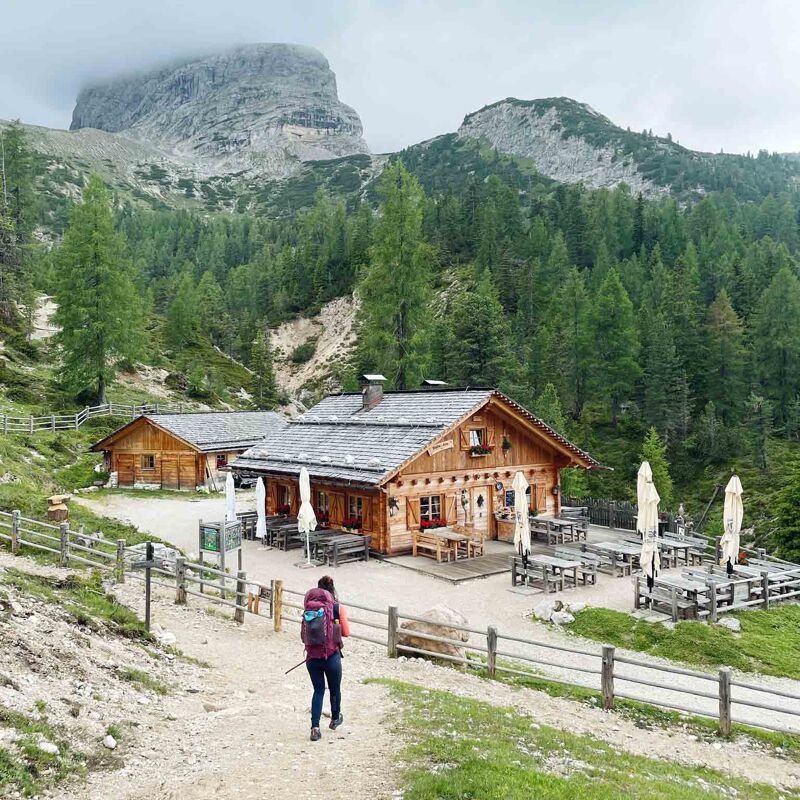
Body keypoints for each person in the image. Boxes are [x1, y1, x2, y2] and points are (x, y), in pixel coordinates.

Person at [303, 575, 350, 741]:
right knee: (335, 688)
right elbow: (346, 632)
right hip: (331, 656)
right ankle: (335, 718)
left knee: (318, 690)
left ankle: (315, 727)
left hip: (312, 656)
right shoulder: (337, 607)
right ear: (332, 589)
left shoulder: (309, 606)